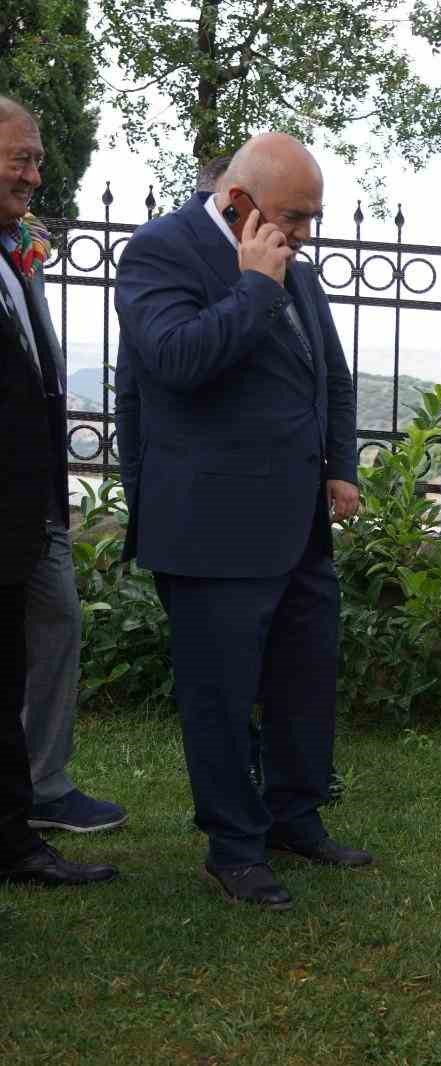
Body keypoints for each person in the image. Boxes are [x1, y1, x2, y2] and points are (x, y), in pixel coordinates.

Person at [114, 131, 372, 911]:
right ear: (238, 201)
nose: (305, 234)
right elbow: (176, 360)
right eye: (295, 216)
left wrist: (340, 466)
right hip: (208, 527)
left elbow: (330, 373)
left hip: (297, 522)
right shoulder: (160, 252)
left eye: (312, 217)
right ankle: (234, 845)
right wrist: (255, 287)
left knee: (304, 679)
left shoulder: (298, 265)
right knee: (219, 696)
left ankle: (295, 817)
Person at [0, 97, 129, 836]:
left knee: (57, 626)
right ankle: (29, 794)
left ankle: (40, 785)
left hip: (37, 492)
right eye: (20, 157)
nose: (34, 172)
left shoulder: (19, 251)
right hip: (11, 495)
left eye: (39, 159)